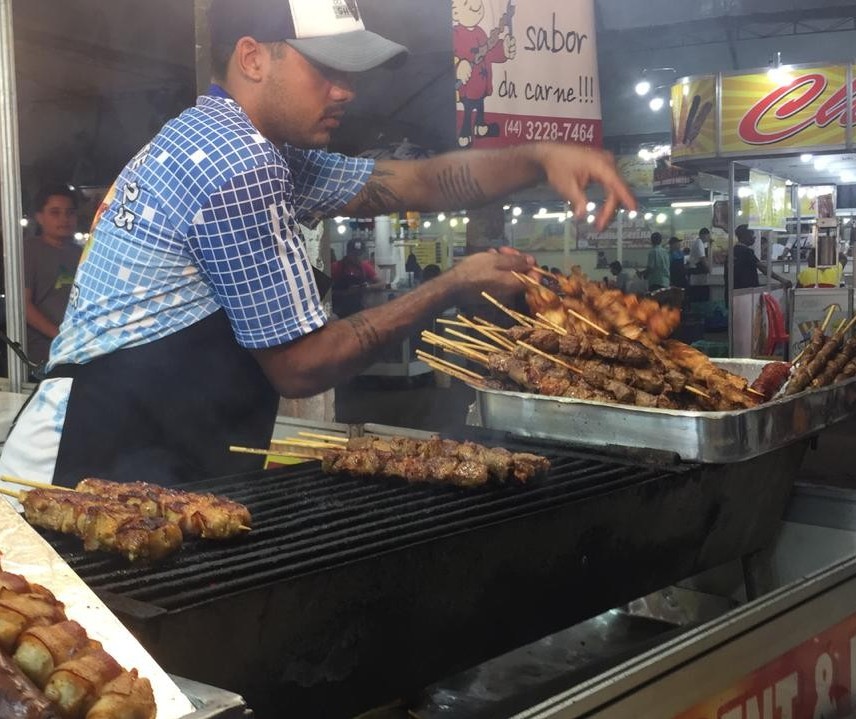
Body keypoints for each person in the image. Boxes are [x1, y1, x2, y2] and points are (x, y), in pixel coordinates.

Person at [0, 0, 634, 488]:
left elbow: (412, 181)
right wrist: (454, 283)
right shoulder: (236, 162)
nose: (346, 90)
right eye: (326, 70)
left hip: (147, 450)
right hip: (85, 459)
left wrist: (541, 157)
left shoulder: (245, 141)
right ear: (253, 57)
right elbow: (300, 367)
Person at [23, 184, 82, 368]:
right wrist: (60, 335)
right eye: (55, 212)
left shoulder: (81, 253)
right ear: (40, 217)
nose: (64, 219)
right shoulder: (28, 250)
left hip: (79, 347)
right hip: (42, 353)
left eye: (70, 212)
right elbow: (22, 306)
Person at [728, 224, 792, 291]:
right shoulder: (746, 252)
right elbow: (763, 268)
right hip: (745, 293)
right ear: (745, 236)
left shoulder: (732, 251)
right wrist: (782, 280)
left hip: (732, 293)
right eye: (752, 234)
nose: (754, 237)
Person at [331, 239, 385, 316]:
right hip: (339, 309)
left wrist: (368, 287)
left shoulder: (365, 266)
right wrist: (345, 292)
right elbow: (327, 292)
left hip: (359, 308)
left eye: (360, 255)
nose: (357, 257)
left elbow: (382, 283)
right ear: (348, 253)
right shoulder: (336, 267)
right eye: (354, 254)